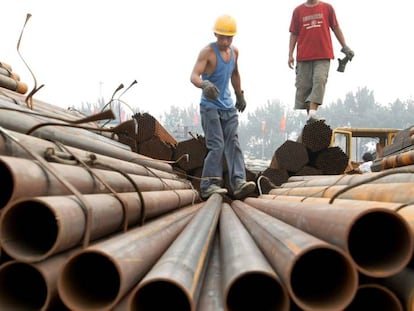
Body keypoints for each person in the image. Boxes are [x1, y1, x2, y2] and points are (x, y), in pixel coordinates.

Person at [190, 14, 256, 200]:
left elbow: (235, 73)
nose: (225, 41)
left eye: (229, 37)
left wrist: (239, 94)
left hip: (228, 107)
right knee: (216, 145)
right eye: (222, 37)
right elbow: (194, 75)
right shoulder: (207, 53)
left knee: (233, 143)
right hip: (210, 107)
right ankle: (209, 185)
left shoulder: (234, 52)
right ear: (215, 34)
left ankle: (238, 183)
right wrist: (204, 85)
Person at [288, 0, 354, 124]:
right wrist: (290, 54)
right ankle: (311, 118)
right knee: (305, 88)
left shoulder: (327, 8)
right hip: (304, 56)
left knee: (319, 80)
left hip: (323, 54)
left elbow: (335, 27)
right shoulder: (298, 11)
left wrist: (345, 46)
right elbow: (294, 34)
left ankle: (312, 113)